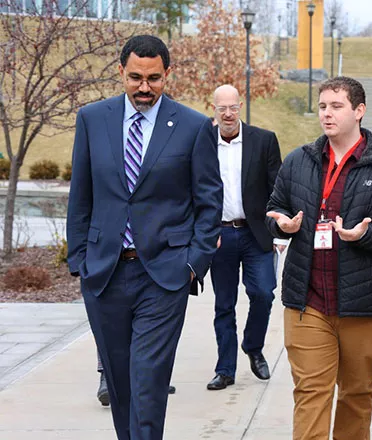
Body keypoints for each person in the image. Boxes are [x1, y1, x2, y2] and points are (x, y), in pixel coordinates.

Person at [67, 35, 223, 440]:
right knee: (120, 384)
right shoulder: (91, 119)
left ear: (167, 74)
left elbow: (210, 203)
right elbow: (81, 196)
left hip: (165, 275)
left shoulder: (192, 127)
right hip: (104, 273)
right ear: (121, 71)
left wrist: (193, 264)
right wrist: (80, 260)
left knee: (149, 382)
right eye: (135, 77)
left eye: (154, 78)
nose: (144, 87)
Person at [265, 76, 372, 440]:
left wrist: (366, 234)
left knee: (355, 395)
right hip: (308, 302)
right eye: (322, 106)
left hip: (364, 306)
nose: (326, 114)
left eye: (336, 106)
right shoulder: (298, 161)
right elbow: (274, 210)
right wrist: (282, 226)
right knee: (311, 393)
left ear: (359, 111)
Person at [206, 84, 284, 391]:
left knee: (263, 293)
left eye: (233, 107)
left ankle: (253, 347)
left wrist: (279, 231)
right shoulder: (202, 144)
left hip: (256, 234)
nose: (228, 114)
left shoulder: (263, 141)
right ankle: (225, 369)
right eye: (221, 108)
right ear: (213, 110)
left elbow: (277, 188)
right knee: (224, 304)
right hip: (219, 236)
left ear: (241, 107)